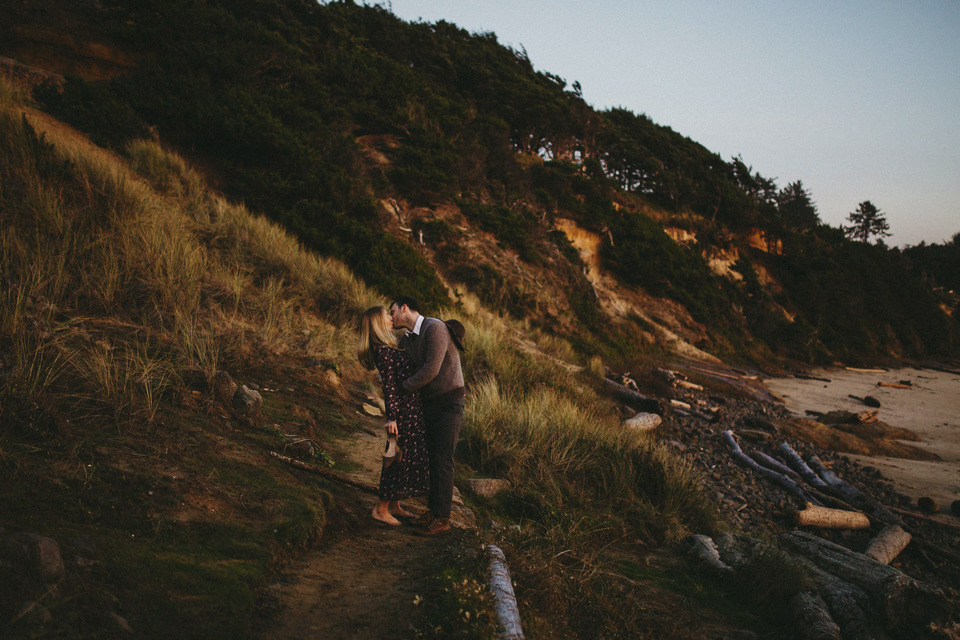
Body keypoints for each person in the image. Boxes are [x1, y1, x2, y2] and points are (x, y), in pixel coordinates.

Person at [390, 296, 465, 536]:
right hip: (430, 403)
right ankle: (433, 512)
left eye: (393, 312)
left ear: (404, 308)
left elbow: (431, 369)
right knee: (431, 458)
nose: (391, 318)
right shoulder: (408, 339)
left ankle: (442, 519)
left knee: (443, 459)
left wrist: (402, 387)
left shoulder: (435, 327)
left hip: (449, 401)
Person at [357, 305, 430, 526]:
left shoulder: (388, 348)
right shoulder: (384, 351)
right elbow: (390, 387)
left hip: (410, 410)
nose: (391, 318)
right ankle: (381, 508)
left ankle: (395, 505)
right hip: (403, 413)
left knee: (404, 458)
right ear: (378, 324)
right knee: (395, 460)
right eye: (387, 316)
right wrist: (392, 419)